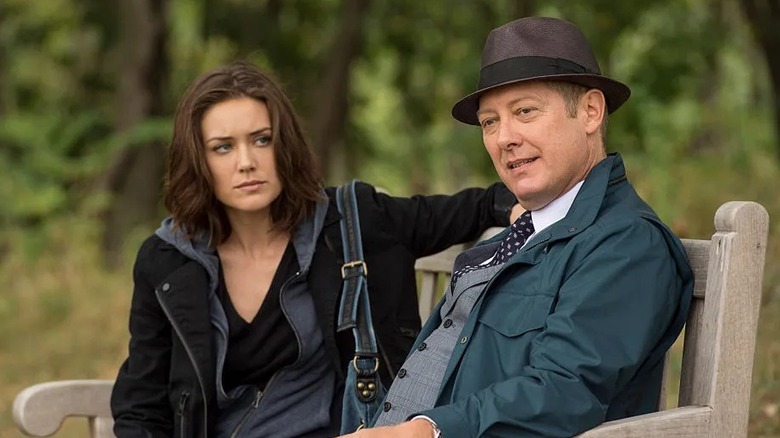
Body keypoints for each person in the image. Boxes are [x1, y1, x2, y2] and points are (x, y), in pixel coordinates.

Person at [109, 61, 522, 437]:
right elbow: (141, 405)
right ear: (197, 160)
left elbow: (475, 206)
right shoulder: (168, 261)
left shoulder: (353, 221)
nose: (246, 162)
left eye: (261, 140)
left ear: (284, 145)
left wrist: (515, 208)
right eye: (223, 147)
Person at [340, 16, 694, 438]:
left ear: (590, 112)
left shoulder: (626, 243)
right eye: (490, 122)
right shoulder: (521, 237)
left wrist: (425, 431)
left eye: (525, 111)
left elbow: (565, 391)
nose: (503, 137)